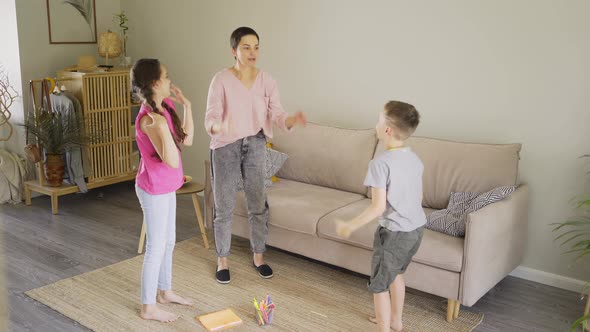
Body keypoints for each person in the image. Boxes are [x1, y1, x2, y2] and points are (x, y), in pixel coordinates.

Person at [205, 27, 307, 284]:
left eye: (256, 47)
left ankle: (259, 256)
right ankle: (222, 260)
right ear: (234, 51)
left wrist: (291, 120)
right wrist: (220, 127)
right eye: (246, 47)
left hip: (256, 143)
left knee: (257, 203)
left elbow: (277, 114)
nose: (253, 52)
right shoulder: (221, 80)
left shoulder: (267, 80)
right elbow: (211, 118)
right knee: (224, 205)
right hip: (226, 146)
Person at [337, 101, 426, 332]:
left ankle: (385, 328)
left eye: (378, 120)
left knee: (378, 286)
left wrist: (350, 225)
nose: (375, 125)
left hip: (394, 234)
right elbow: (419, 197)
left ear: (387, 130)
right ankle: (395, 320)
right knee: (395, 274)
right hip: (416, 230)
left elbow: (377, 207)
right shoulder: (414, 159)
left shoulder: (380, 163)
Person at [131, 58, 194, 323]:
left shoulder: (165, 107)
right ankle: (148, 308)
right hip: (153, 190)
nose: (170, 80)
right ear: (155, 83)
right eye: (166, 77)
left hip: (168, 185)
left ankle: (165, 292)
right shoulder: (149, 120)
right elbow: (171, 159)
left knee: (169, 241)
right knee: (156, 246)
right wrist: (160, 127)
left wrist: (188, 106)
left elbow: (187, 140)